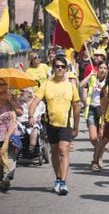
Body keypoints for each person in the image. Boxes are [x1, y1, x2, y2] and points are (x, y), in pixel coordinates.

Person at [28, 57, 80, 195]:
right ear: (53, 68)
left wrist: (76, 127)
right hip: (51, 124)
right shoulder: (46, 84)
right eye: (57, 66)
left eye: (63, 66)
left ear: (66, 69)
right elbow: (35, 101)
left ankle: (63, 183)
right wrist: (31, 116)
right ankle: (58, 178)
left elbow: (76, 108)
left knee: (63, 150)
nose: (60, 69)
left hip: (65, 125)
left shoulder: (71, 86)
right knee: (55, 152)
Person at [80, 61, 108, 164]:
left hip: (102, 109)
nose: (102, 70)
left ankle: (97, 157)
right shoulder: (92, 78)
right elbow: (81, 84)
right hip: (91, 108)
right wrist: (90, 75)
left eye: (105, 68)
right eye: (101, 67)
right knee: (93, 137)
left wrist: (100, 87)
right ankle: (99, 150)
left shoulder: (108, 81)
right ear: (98, 69)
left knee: (100, 136)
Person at [0, 79, 23, 192]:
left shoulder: (11, 99)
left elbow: (20, 112)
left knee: (10, 156)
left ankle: (7, 176)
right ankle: (3, 178)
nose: (1, 87)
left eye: (3, 84)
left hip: (11, 133)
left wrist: (11, 100)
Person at [17, 87, 46, 156]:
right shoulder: (18, 102)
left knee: (35, 129)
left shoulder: (39, 103)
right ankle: (17, 148)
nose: (20, 93)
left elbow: (42, 116)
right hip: (21, 123)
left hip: (35, 123)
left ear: (30, 93)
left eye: (23, 91)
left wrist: (38, 119)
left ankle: (31, 148)